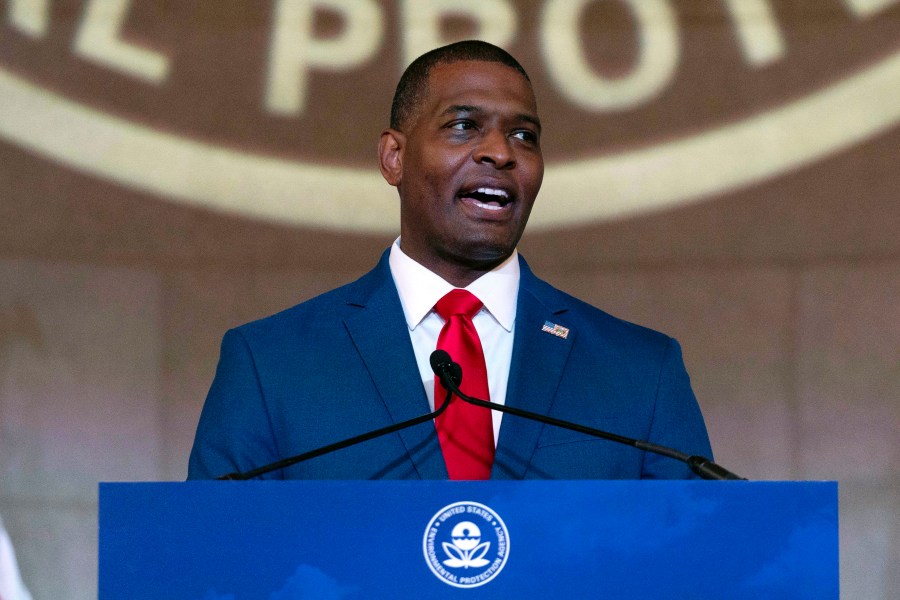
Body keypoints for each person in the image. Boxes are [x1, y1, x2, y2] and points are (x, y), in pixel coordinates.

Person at [188, 40, 712, 480]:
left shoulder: (641, 371)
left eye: (523, 136)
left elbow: (696, 563)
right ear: (394, 157)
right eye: (464, 126)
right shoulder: (269, 364)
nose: (500, 153)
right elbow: (208, 565)